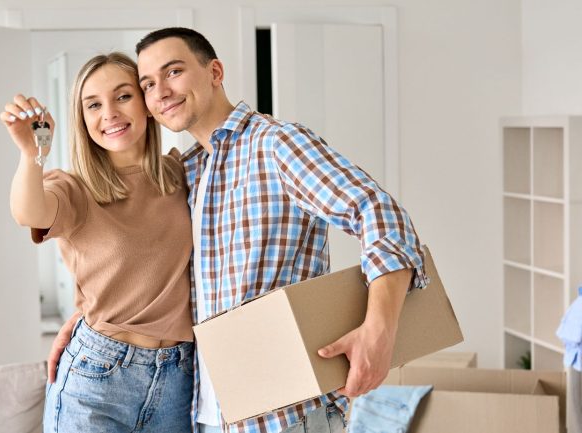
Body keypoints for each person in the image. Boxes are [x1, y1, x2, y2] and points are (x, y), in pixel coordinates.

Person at [49, 28, 428, 433]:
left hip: (285, 414)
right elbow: (160, 267)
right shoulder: (186, 171)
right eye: (147, 84)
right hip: (207, 413)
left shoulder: (277, 144)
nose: (160, 91)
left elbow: (378, 213)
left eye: (174, 71)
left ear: (214, 71)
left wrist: (379, 330)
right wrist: (91, 320)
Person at [2, 52, 195, 433]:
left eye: (123, 96)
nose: (109, 112)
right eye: (93, 104)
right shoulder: (75, 189)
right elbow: (29, 213)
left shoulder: (182, 173)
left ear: (147, 104)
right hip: (98, 377)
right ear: (82, 118)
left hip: (179, 378)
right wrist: (32, 152)